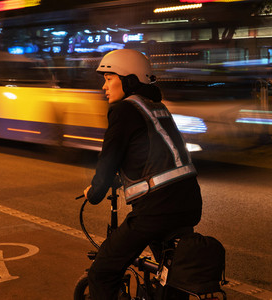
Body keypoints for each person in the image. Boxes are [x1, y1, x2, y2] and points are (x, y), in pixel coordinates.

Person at [83, 49, 202, 299]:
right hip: (189, 202)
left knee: (102, 272)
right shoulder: (156, 107)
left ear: (128, 79)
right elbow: (152, 155)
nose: (104, 86)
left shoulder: (125, 110)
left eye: (108, 78)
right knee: (171, 275)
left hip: (156, 209)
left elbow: (109, 158)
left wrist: (95, 192)